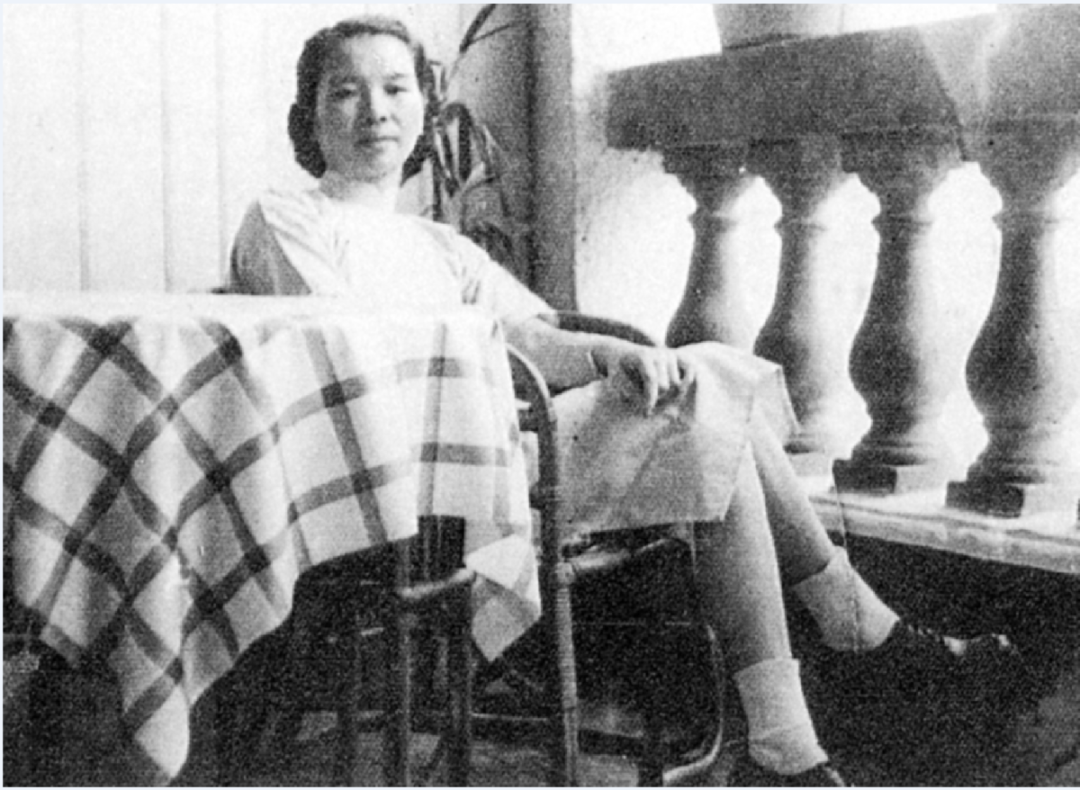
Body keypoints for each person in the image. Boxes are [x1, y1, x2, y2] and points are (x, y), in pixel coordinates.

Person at [228, 15, 1019, 787]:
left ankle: (795, 731)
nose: (375, 110)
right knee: (708, 401)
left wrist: (612, 355)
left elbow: (534, 336)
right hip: (395, 479)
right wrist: (502, 350)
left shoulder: (440, 244)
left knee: (703, 388)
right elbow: (346, 347)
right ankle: (848, 650)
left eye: (396, 89)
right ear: (310, 116)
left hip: (498, 452)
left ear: (422, 109)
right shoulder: (287, 217)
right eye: (346, 92)